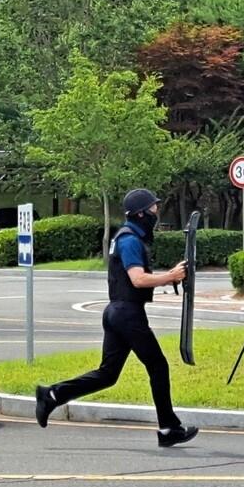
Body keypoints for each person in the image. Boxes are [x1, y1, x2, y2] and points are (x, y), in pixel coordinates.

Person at [33, 189, 198, 447]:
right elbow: (138, 279)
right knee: (158, 366)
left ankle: (52, 394)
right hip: (127, 314)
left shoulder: (127, 236)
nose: (157, 212)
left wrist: (171, 276)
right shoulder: (130, 240)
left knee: (108, 374)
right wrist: (171, 277)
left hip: (117, 312)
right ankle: (169, 428)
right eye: (153, 209)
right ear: (141, 213)